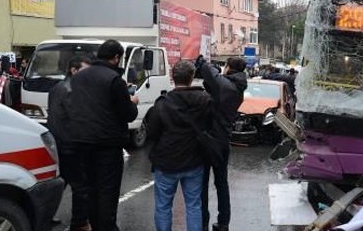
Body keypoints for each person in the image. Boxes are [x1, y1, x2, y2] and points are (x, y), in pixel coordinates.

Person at [69, 40, 139, 231]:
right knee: (107, 193)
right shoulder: (114, 80)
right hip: (107, 145)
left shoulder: (78, 78)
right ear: (116, 58)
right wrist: (132, 101)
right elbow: (128, 114)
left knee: (90, 190)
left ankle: (96, 224)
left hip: (81, 143)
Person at [145, 60, 213, 231]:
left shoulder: (162, 103)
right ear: (192, 77)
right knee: (194, 205)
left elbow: (153, 133)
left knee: (163, 206)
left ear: (172, 77)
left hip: (166, 161)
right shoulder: (205, 101)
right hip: (194, 160)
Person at [198, 57, 247, 231]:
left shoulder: (227, 86)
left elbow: (211, 74)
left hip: (210, 139)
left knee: (202, 184)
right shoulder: (237, 87)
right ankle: (223, 222)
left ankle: (203, 222)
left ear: (229, 68)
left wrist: (204, 62)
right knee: (221, 183)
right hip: (223, 140)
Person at [47, 55, 92, 231]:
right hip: (72, 144)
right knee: (81, 186)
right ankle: (80, 222)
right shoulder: (72, 91)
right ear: (73, 70)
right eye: (85, 71)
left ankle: (46, 215)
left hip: (57, 142)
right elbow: (79, 119)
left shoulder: (56, 87)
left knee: (61, 181)